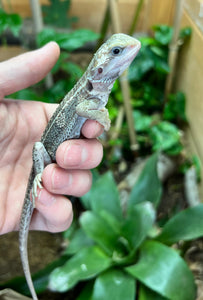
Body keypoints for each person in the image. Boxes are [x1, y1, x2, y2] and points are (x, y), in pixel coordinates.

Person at [0, 41, 104, 235]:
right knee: (39, 148)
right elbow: (82, 109)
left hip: (55, 154)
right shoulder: (88, 90)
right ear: (99, 69)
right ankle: (40, 175)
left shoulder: (93, 88)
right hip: (45, 155)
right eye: (116, 52)